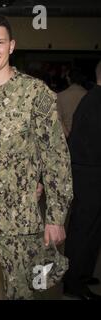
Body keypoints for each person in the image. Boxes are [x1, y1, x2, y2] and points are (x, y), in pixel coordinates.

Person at [0, 14, 73, 300]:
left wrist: (56, 217)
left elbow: (56, 157)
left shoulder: (36, 94)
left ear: (12, 46)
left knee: (23, 292)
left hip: (18, 219)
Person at [63, 60, 101, 300]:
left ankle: (81, 275)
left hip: (88, 173)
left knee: (90, 231)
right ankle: (74, 281)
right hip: (89, 176)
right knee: (84, 231)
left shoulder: (93, 99)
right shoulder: (94, 101)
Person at [56, 67, 87, 137]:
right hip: (86, 137)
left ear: (68, 79)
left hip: (68, 135)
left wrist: (69, 137)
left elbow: (59, 119)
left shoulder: (60, 96)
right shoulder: (88, 95)